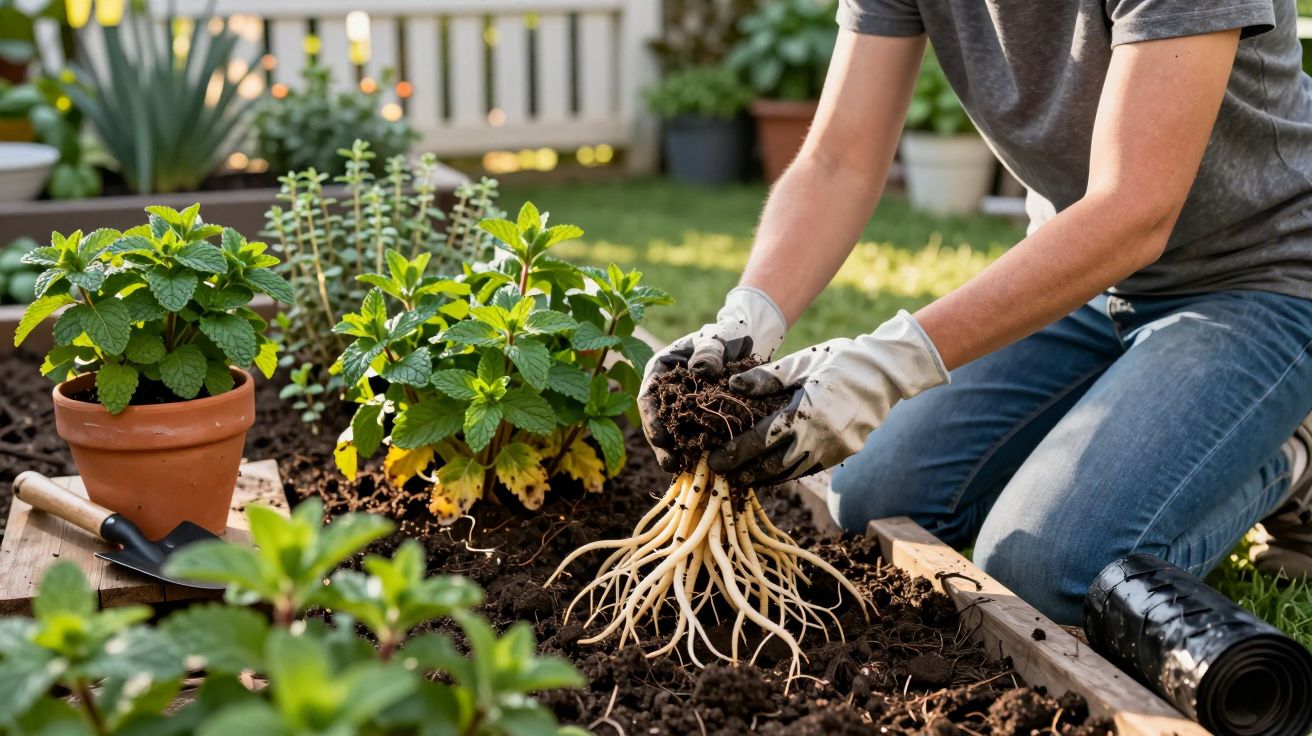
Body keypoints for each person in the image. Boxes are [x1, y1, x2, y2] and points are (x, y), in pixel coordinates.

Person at [639, 0, 1312, 625]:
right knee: (874, 502)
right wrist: (749, 312)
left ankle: (1290, 456)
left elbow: (1135, 209)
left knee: (1049, 574)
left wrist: (889, 363)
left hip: (1261, 275)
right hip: (1076, 277)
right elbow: (839, 159)